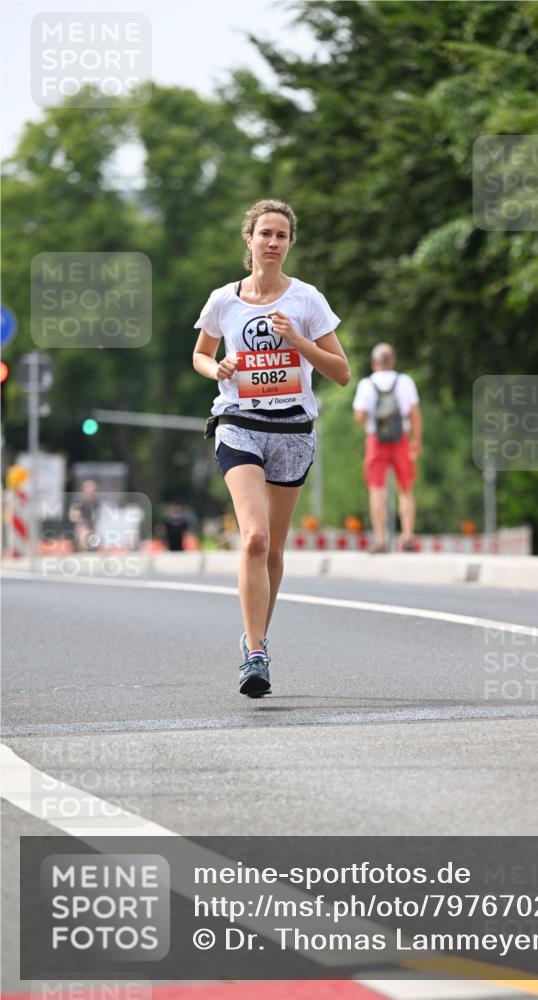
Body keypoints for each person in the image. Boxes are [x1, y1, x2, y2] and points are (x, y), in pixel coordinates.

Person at [193, 199, 350, 698]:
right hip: (239, 423)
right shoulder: (224, 300)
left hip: (292, 428)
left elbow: (341, 373)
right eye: (266, 233)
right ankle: (257, 654)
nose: (273, 243)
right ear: (249, 239)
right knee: (255, 539)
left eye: (282, 235)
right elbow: (200, 353)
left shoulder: (307, 300)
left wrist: (297, 341)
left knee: (276, 548)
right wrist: (214, 369)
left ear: (289, 243)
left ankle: (254, 636)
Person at [353, 343, 422, 553]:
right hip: (401, 438)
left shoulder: (366, 384)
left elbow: (359, 415)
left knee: (377, 489)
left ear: (374, 363)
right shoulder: (405, 381)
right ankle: (408, 537)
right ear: (393, 361)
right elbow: (414, 413)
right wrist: (416, 440)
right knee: (406, 488)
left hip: (376, 440)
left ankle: (381, 540)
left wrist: (372, 427)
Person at [68, 479, 101, 551]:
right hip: (81, 525)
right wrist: (84, 524)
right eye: (90, 490)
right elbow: (74, 516)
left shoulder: (96, 502)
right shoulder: (78, 501)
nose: (92, 493)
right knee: (84, 535)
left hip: (92, 525)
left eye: (94, 491)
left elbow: (98, 516)